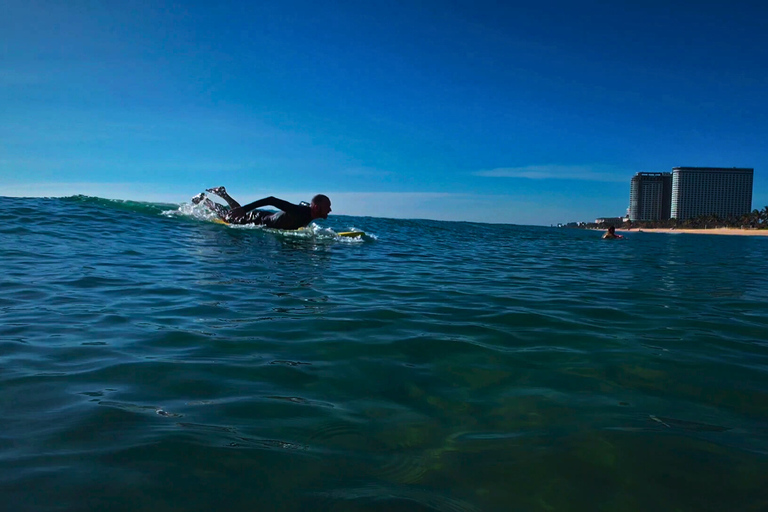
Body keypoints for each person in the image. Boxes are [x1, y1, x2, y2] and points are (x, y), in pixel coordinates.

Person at [192, 186, 331, 230]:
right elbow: (271, 200)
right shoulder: (299, 212)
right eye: (327, 207)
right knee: (228, 218)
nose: (330, 210)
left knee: (236, 213)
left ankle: (223, 194)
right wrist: (245, 209)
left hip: (263, 216)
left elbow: (304, 203)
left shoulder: (308, 211)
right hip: (257, 219)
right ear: (317, 207)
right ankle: (205, 201)